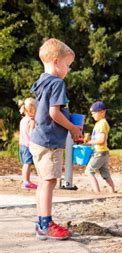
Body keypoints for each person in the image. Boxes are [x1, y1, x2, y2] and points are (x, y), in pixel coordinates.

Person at [29, 38, 82, 240]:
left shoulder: (41, 81)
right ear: (56, 61)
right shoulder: (58, 83)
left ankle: (41, 221)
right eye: (68, 65)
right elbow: (54, 113)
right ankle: (47, 224)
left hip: (38, 139)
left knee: (44, 182)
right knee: (50, 181)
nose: (68, 69)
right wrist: (73, 128)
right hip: (49, 142)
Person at [85, 101, 115, 193]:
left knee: (89, 172)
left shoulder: (102, 123)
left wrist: (90, 142)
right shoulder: (99, 123)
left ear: (102, 112)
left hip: (99, 152)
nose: (92, 115)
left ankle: (97, 193)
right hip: (103, 152)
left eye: (94, 113)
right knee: (105, 175)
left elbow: (101, 140)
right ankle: (112, 192)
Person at [18, 98, 38, 189]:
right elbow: (31, 134)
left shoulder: (23, 120)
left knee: (25, 164)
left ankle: (25, 180)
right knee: (27, 164)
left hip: (22, 145)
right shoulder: (31, 121)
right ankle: (26, 182)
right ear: (32, 110)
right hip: (28, 146)